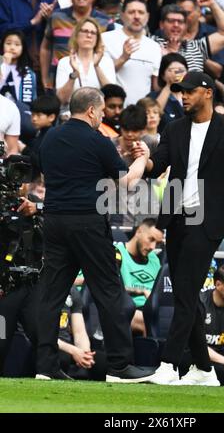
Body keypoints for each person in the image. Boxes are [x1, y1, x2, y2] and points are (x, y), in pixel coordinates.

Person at [140, 70, 224, 385]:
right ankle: (204, 369)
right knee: (184, 293)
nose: (184, 96)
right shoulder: (174, 128)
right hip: (177, 218)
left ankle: (168, 364)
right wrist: (143, 161)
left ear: (207, 92)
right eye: (181, 92)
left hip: (208, 221)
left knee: (186, 290)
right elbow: (159, 163)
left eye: (189, 91)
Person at [34, 86, 154, 382]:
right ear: (91, 110)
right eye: (101, 111)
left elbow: (46, 172)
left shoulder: (50, 137)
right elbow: (126, 182)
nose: (102, 115)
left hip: (54, 220)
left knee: (51, 294)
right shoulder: (96, 139)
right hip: (87, 222)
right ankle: (119, 365)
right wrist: (142, 158)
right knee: (110, 292)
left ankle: (45, 367)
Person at [101, 0, 162, 105]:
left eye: (141, 12)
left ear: (147, 17)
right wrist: (123, 58)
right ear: (122, 15)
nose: (137, 16)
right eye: (131, 12)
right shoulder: (105, 39)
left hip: (142, 114)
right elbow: (97, 75)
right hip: (111, 111)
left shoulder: (154, 47)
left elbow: (155, 86)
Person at [55, 17, 115, 118]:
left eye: (93, 33)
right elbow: (61, 99)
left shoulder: (106, 61)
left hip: (99, 118)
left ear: (97, 38)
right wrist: (74, 74)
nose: (89, 35)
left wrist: (96, 67)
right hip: (70, 117)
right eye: (85, 31)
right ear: (76, 35)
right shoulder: (64, 62)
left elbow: (113, 95)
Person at [115, 218, 163, 337]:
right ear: (139, 231)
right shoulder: (117, 253)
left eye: (157, 243)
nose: (153, 247)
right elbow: (112, 289)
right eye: (151, 239)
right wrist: (140, 291)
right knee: (146, 321)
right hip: (125, 309)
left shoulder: (154, 259)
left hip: (152, 309)